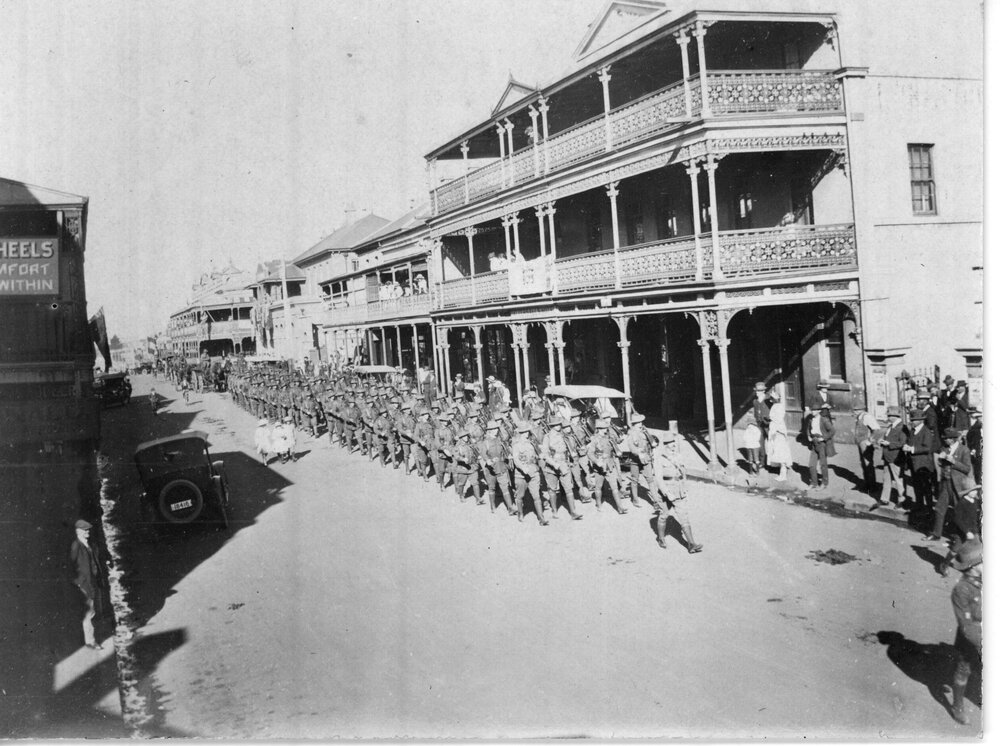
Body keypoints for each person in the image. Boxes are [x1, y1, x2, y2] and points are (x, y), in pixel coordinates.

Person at [940, 537, 983, 725]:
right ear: (973, 567)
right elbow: (967, 627)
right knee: (964, 669)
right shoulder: (962, 590)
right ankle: (957, 705)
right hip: (972, 638)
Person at [651, 432, 702, 553]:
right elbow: (658, 478)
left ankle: (691, 543)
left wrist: (685, 489)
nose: (673, 446)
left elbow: (683, 473)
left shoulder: (678, 456)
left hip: (678, 490)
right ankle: (661, 538)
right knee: (664, 515)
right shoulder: (659, 458)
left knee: (683, 515)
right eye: (670, 444)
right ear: (666, 445)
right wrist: (666, 492)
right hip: (666, 491)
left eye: (674, 444)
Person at [925, 427, 974, 542]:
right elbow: (941, 464)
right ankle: (936, 533)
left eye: (946, 438)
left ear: (953, 439)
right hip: (945, 483)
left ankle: (961, 536)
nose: (945, 440)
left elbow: (967, 468)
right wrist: (941, 460)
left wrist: (953, 462)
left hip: (958, 485)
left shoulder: (964, 450)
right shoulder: (944, 448)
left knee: (959, 511)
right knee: (939, 508)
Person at [69, 519, 107, 650]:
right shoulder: (76, 546)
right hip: (85, 584)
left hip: (94, 580)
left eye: (88, 530)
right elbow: (70, 566)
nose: (88, 532)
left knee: (95, 610)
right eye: (85, 530)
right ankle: (90, 641)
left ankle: (96, 634)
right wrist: (78, 582)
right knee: (88, 613)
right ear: (78, 531)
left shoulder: (89, 543)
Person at [511, 421, 548, 525]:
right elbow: (516, 460)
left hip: (533, 472)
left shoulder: (532, 443)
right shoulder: (516, 445)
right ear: (520, 433)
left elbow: (537, 455)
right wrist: (523, 468)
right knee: (520, 496)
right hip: (521, 474)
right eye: (524, 432)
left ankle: (541, 518)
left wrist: (540, 456)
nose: (526, 434)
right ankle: (520, 513)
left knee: (536, 496)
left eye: (527, 432)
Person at [903, 409, 937, 513]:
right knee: (917, 486)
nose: (912, 422)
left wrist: (912, 449)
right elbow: (910, 442)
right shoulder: (913, 431)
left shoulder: (926, 432)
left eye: (914, 420)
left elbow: (927, 448)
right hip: (914, 464)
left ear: (921, 420)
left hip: (924, 465)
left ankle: (929, 508)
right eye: (911, 420)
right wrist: (907, 446)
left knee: (926, 487)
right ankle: (919, 506)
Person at [624, 413, 655, 507]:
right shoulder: (631, 433)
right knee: (634, 480)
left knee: (650, 479)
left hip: (645, 457)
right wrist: (638, 453)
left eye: (641, 422)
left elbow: (650, 441)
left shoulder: (644, 431)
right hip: (635, 459)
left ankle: (656, 501)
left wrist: (652, 446)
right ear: (634, 423)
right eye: (638, 422)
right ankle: (635, 500)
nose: (640, 424)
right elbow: (632, 447)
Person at [878, 406, 907, 505]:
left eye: (889, 415)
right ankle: (884, 499)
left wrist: (889, 444)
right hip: (887, 456)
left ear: (894, 416)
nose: (887, 417)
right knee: (886, 478)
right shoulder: (891, 426)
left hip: (896, 457)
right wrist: (882, 441)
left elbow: (903, 443)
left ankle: (901, 499)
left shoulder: (902, 427)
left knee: (898, 480)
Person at [807, 402, 837, 490]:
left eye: (814, 410)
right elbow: (808, 429)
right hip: (814, 442)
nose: (812, 412)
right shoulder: (810, 419)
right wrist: (809, 436)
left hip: (822, 444)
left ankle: (824, 483)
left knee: (823, 464)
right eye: (812, 410)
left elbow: (832, 431)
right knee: (811, 465)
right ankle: (814, 483)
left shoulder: (824, 420)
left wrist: (824, 438)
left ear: (819, 411)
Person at [765, 389, 792, 481]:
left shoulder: (778, 407)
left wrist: (775, 432)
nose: (770, 400)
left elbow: (778, 420)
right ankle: (781, 471)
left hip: (778, 432)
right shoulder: (776, 406)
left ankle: (783, 473)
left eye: (772, 398)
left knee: (781, 451)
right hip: (775, 430)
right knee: (777, 451)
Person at [748, 381, 770, 474]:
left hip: (769, 425)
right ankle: (762, 462)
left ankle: (774, 464)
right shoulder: (755, 401)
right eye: (756, 391)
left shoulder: (768, 399)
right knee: (760, 443)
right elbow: (755, 413)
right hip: (759, 425)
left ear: (763, 391)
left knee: (772, 443)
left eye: (758, 391)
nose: (756, 392)